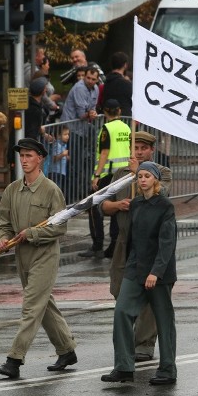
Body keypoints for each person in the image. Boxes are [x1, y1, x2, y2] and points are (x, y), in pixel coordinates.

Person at [0, 138, 78, 379]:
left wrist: (32, 233)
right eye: (22, 156)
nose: (24, 160)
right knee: (44, 304)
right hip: (22, 254)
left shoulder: (51, 189)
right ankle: (67, 350)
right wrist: (3, 238)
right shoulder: (12, 190)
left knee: (31, 306)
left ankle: (14, 359)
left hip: (45, 254)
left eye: (29, 156)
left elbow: (60, 227)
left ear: (40, 158)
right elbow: (3, 222)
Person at [102, 161, 177, 385]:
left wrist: (156, 272)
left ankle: (167, 369)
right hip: (135, 269)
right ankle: (124, 366)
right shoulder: (135, 205)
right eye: (140, 176)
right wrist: (130, 266)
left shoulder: (165, 206)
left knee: (164, 321)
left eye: (147, 176)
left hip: (159, 273)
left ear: (155, 180)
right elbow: (133, 239)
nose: (143, 179)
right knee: (122, 311)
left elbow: (167, 243)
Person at [80, 99, 130, 259]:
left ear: (105, 112)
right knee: (116, 208)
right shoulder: (126, 127)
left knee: (93, 207)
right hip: (123, 174)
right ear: (119, 111)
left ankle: (97, 245)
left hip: (107, 174)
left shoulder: (107, 128)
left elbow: (104, 153)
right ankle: (114, 244)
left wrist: (96, 175)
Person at [60, 66, 100, 201]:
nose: (90, 81)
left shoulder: (95, 89)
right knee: (74, 165)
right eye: (88, 77)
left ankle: (79, 194)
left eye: (93, 79)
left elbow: (92, 109)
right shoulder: (79, 88)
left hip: (83, 129)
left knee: (83, 163)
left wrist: (92, 113)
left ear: (97, 80)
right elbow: (81, 113)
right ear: (84, 76)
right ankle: (70, 197)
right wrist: (90, 114)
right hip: (72, 129)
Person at [100, 52, 133, 116]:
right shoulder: (126, 83)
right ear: (125, 65)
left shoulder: (106, 82)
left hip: (108, 118)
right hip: (125, 119)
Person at [49, 127, 70, 198]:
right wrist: (63, 154)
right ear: (59, 136)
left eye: (68, 134)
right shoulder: (56, 145)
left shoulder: (64, 145)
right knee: (55, 191)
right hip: (55, 172)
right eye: (65, 134)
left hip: (61, 172)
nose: (67, 136)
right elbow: (54, 158)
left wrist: (66, 157)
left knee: (60, 191)